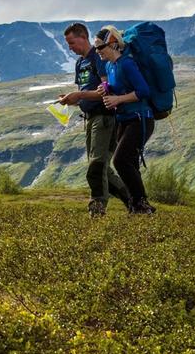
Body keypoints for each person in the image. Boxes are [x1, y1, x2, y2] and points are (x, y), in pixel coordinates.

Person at [58, 23, 132, 217]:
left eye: (72, 42)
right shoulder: (79, 63)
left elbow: (108, 91)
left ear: (83, 37)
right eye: (67, 44)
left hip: (105, 118)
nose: (70, 47)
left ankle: (97, 210)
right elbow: (85, 92)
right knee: (104, 171)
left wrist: (79, 96)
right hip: (90, 119)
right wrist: (71, 99)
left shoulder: (97, 58)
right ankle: (135, 203)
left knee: (97, 165)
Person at [95, 25, 156, 214]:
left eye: (100, 47)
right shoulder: (109, 66)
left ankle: (140, 204)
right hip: (124, 119)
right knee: (129, 162)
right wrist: (106, 88)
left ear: (113, 44)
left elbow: (143, 91)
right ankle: (137, 207)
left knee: (121, 160)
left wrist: (117, 99)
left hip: (140, 118)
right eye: (95, 48)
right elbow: (119, 86)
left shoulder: (127, 64)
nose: (97, 52)